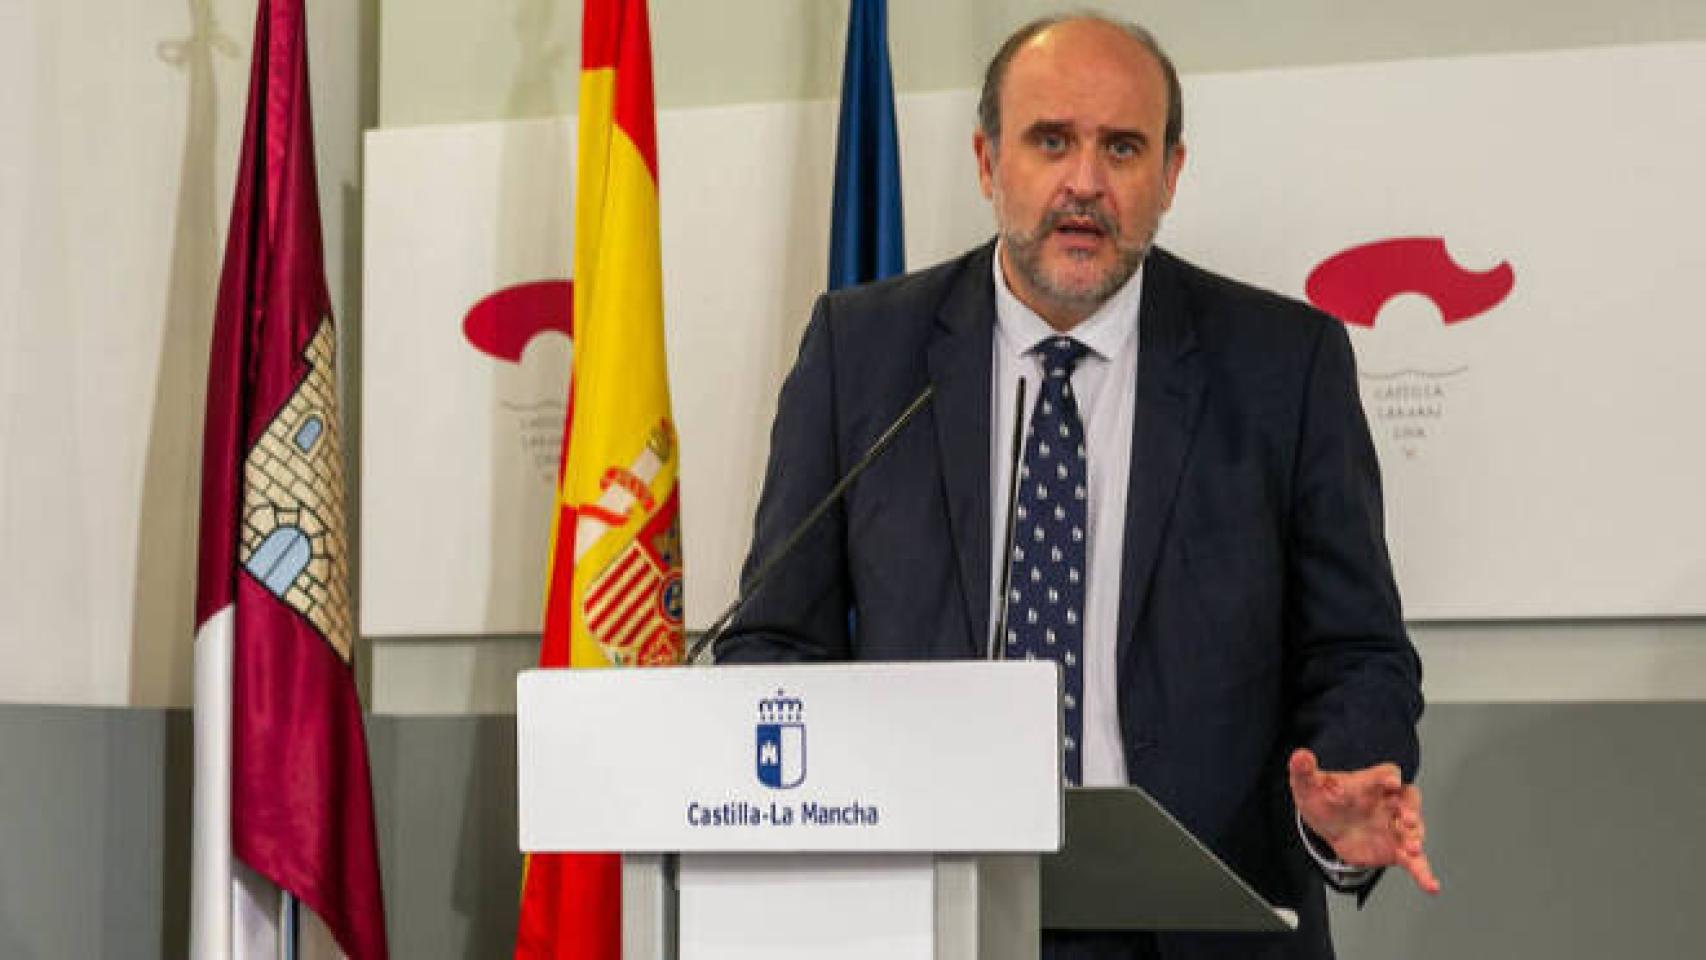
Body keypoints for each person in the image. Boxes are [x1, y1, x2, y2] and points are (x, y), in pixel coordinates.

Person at [716, 12, 1435, 958]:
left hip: (1200, 925)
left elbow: (1360, 650)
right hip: (934, 913)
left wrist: (1337, 804)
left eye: (1123, 147)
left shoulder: (1281, 364)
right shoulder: (865, 354)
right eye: (1051, 141)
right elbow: (773, 641)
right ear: (987, 161)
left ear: (1171, 174)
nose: (1084, 182)